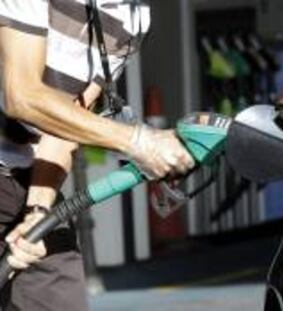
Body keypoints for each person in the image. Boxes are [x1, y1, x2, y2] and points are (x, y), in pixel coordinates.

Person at [0, 0, 194, 310]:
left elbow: (63, 124)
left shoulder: (133, 18)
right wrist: (138, 141)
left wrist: (37, 212)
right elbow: (22, 96)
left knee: (59, 294)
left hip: (21, 178)